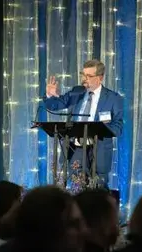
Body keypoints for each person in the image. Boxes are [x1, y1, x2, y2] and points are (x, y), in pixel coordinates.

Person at [44, 60, 124, 188]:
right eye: (83, 74)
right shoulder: (76, 92)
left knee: (98, 190)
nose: (84, 79)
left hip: (98, 150)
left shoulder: (113, 98)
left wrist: (99, 129)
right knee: (78, 187)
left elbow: (118, 127)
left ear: (100, 78)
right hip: (75, 149)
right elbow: (54, 105)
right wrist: (50, 95)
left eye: (89, 76)